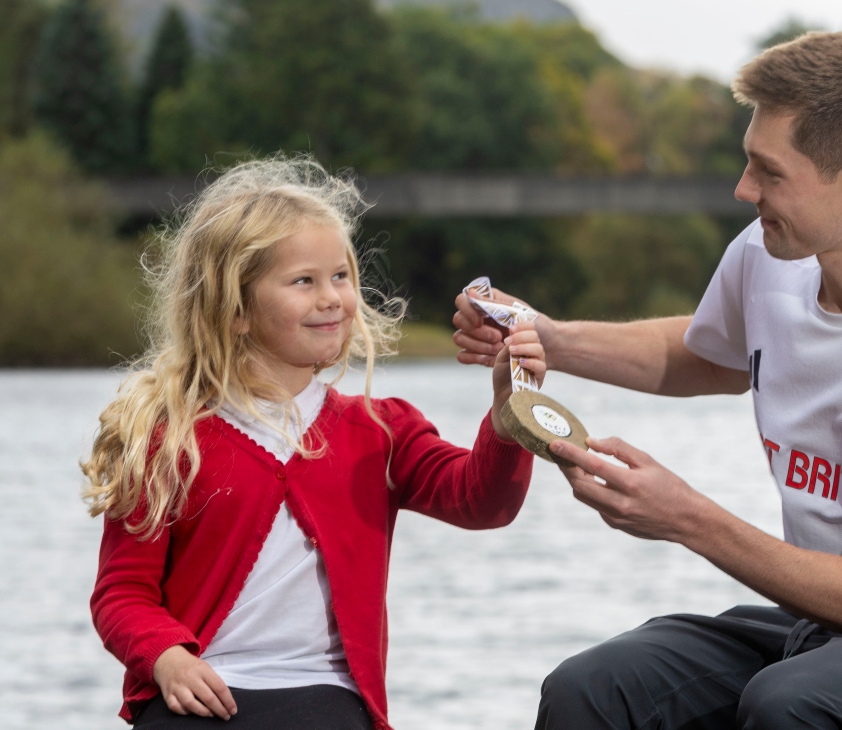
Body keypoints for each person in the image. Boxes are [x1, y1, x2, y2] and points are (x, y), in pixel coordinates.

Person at [453, 32, 842, 730]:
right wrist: (548, 337)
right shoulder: (770, 258)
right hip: (827, 630)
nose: (743, 190)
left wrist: (686, 518)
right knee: (593, 689)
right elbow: (709, 353)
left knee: (790, 704)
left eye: (768, 171)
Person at [83, 158, 544, 729]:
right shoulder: (167, 437)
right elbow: (122, 596)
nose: (332, 298)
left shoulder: (383, 431)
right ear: (236, 310)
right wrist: (168, 658)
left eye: (341, 276)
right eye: (304, 281)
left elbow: (482, 502)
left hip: (325, 695)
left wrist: (506, 417)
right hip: (193, 693)